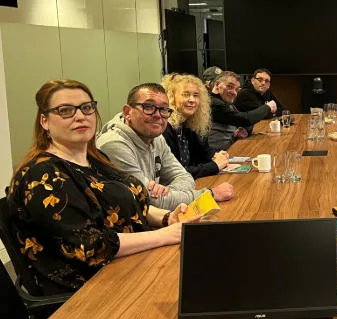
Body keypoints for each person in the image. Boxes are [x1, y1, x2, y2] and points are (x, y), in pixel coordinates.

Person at [7, 79, 200, 296]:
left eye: (87, 108)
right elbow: (93, 246)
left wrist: (167, 218)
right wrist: (167, 234)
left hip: (131, 265)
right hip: (90, 293)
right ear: (45, 121)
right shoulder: (42, 175)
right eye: (66, 110)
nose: (80, 116)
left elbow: (130, 205)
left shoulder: (97, 159)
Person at [97, 83, 234, 210]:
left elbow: (184, 177)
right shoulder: (114, 144)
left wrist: (166, 193)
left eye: (163, 109)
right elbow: (146, 200)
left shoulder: (157, 137)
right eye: (148, 107)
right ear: (127, 112)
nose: (158, 115)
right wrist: (209, 194)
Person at [161, 74, 229, 178]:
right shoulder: (164, 128)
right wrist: (214, 166)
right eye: (186, 94)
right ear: (170, 97)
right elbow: (175, 172)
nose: (192, 100)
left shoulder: (187, 124)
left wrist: (216, 155)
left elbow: (203, 152)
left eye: (196, 95)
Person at [208, 71, 274, 150]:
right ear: (217, 84)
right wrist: (268, 107)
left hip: (230, 148)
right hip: (217, 155)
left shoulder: (225, 102)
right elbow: (245, 119)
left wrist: (240, 131)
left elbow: (241, 121)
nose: (234, 93)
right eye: (230, 86)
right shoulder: (214, 103)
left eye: (236, 89)